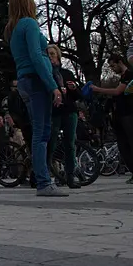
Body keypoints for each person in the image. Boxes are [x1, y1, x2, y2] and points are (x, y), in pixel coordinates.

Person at [5, 0, 67, 197]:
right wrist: (53, 86)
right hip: (36, 81)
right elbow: (37, 56)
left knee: (38, 132)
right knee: (42, 133)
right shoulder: (29, 24)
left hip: (24, 81)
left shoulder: (13, 29)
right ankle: (43, 181)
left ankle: (42, 178)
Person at [89, 53, 133, 185]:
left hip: (128, 113)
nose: (112, 69)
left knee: (130, 142)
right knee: (123, 145)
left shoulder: (129, 75)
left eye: (113, 65)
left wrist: (98, 89)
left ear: (120, 62)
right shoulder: (122, 77)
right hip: (119, 114)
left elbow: (118, 91)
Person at [46, 44, 82, 189]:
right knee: (51, 143)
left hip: (69, 110)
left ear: (58, 56)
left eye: (53, 54)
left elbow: (78, 95)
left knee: (70, 143)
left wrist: (74, 89)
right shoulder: (46, 73)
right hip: (54, 112)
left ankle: (70, 175)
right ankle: (46, 174)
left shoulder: (67, 73)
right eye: (48, 54)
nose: (51, 57)